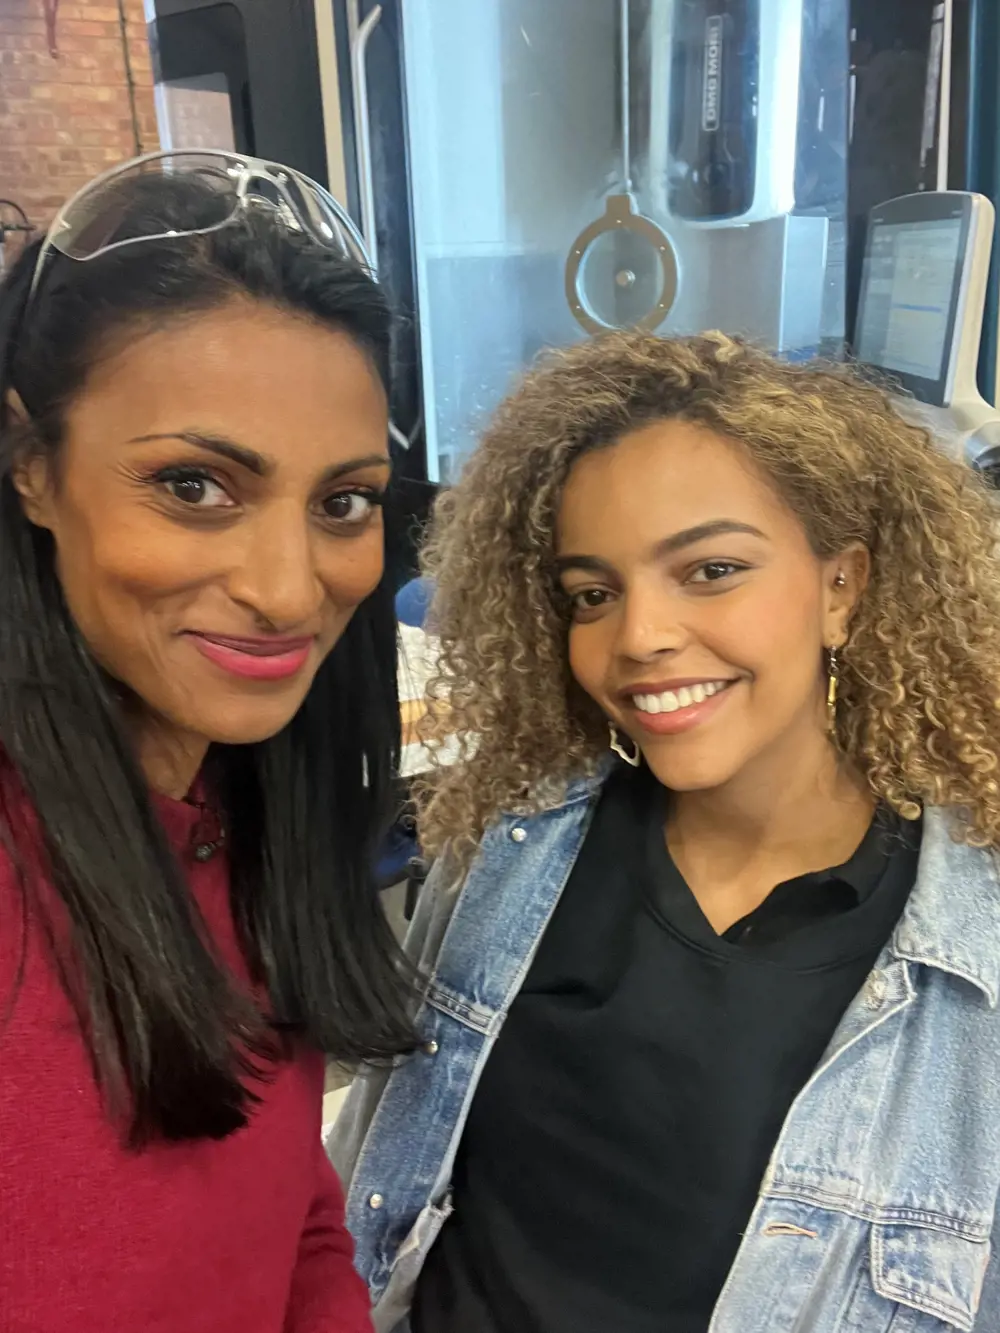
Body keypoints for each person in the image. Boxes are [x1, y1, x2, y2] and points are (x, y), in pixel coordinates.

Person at [331, 331, 1000, 1333]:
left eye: (710, 569)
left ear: (839, 587)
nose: (638, 635)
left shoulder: (965, 970)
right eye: (591, 594)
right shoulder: (509, 850)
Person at [0, 153, 416, 1332]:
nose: (288, 591)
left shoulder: (247, 806)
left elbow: (294, 1215)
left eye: (342, 502)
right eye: (194, 485)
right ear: (32, 464)